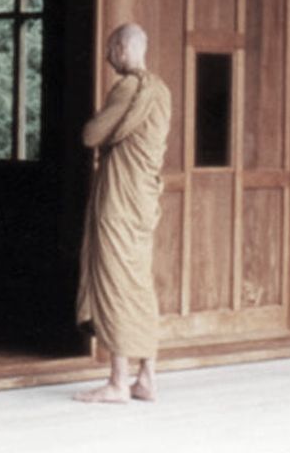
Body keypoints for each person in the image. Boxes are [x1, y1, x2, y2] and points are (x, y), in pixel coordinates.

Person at [74, 22, 171, 404]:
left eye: (110, 49)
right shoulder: (161, 91)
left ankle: (118, 380)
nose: (106, 57)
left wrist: (107, 131)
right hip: (143, 200)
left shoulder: (130, 88)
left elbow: (91, 135)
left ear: (121, 48)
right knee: (139, 282)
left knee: (115, 280)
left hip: (120, 199)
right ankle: (146, 376)